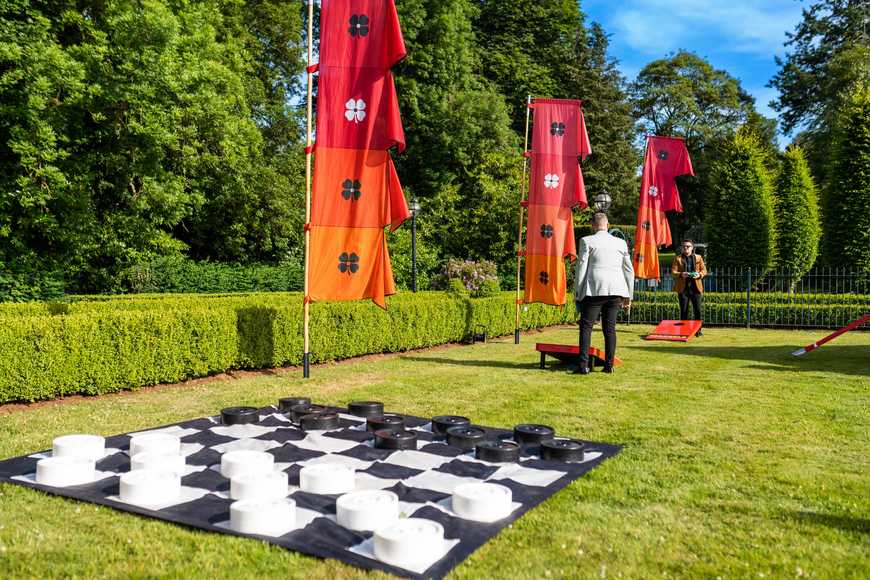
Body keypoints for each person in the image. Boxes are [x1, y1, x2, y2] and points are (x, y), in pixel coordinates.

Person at [573, 213, 634, 374]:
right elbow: (629, 270)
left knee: (586, 327)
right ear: (608, 225)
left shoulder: (586, 241)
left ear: (593, 225)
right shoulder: (621, 243)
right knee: (610, 328)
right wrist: (629, 295)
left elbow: (581, 268)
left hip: (594, 289)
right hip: (616, 290)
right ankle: (609, 365)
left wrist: (578, 292)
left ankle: (583, 366)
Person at [671, 239, 707, 335]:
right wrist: (681, 274)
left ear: (692, 248)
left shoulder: (699, 257)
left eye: (688, 246)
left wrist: (699, 275)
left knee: (697, 310)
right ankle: (684, 331)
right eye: (684, 246)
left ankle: (698, 331)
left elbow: (704, 270)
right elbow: (673, 272)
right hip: (683, 289)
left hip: (696, 288)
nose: (686, 248)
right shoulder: (677, 258)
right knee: (684, 311)